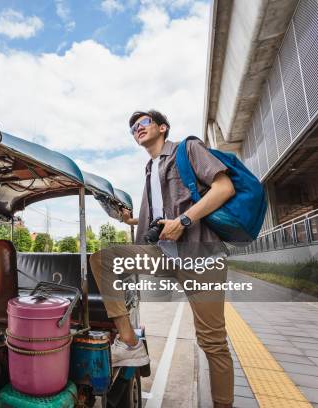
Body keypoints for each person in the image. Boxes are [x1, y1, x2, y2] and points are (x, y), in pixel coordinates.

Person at [89, 109, 235, 408]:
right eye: (132, 128)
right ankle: (129, 343)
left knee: (212, 341)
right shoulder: (149, 169)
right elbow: (158, 217)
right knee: (104, 259)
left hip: (200, 254)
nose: (137, 129)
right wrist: (130, 221)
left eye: (143, 123)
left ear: (163, 128)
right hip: (164, 255)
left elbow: (224, 187)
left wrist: (183, 221)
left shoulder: (187, 149)